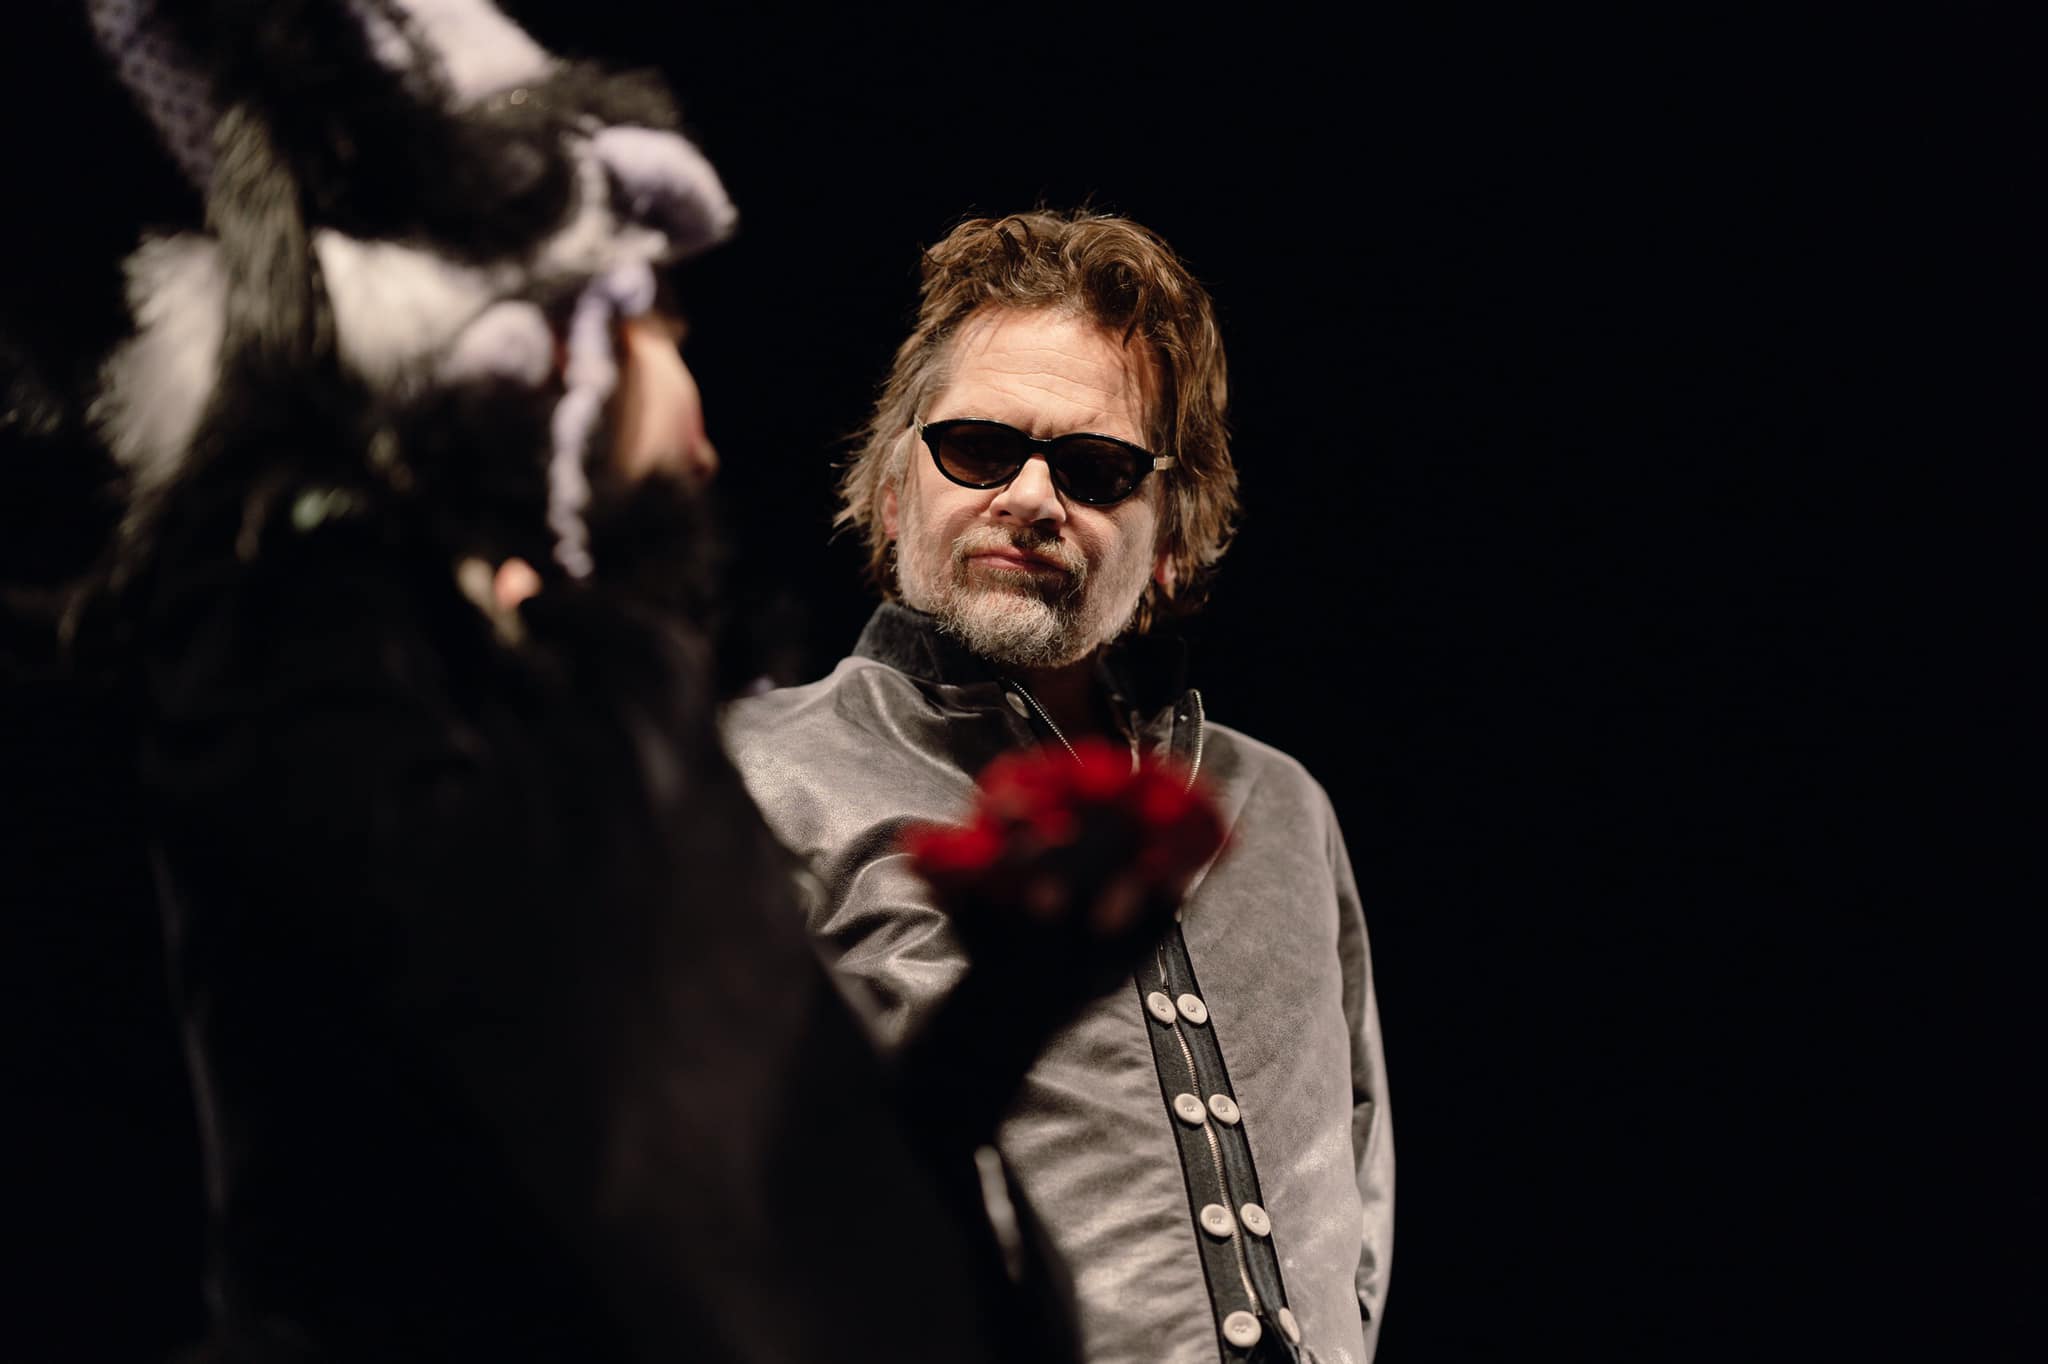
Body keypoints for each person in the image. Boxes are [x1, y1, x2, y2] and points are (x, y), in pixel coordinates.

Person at [17, 4, 1173, 1360]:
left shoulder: (602, 705)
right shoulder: (325, 669)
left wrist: (1012, 998)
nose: (703, 440)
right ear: (543, 353)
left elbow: (763, 1204)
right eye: (662, 333)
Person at [724, 209, 1395, 1363]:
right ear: (892, 494)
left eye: (1094, 469)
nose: (1031, 497)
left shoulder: (1282, 806)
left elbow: (1359, 1195)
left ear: (1170, 535)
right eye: (977, 447)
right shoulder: (751, 774)